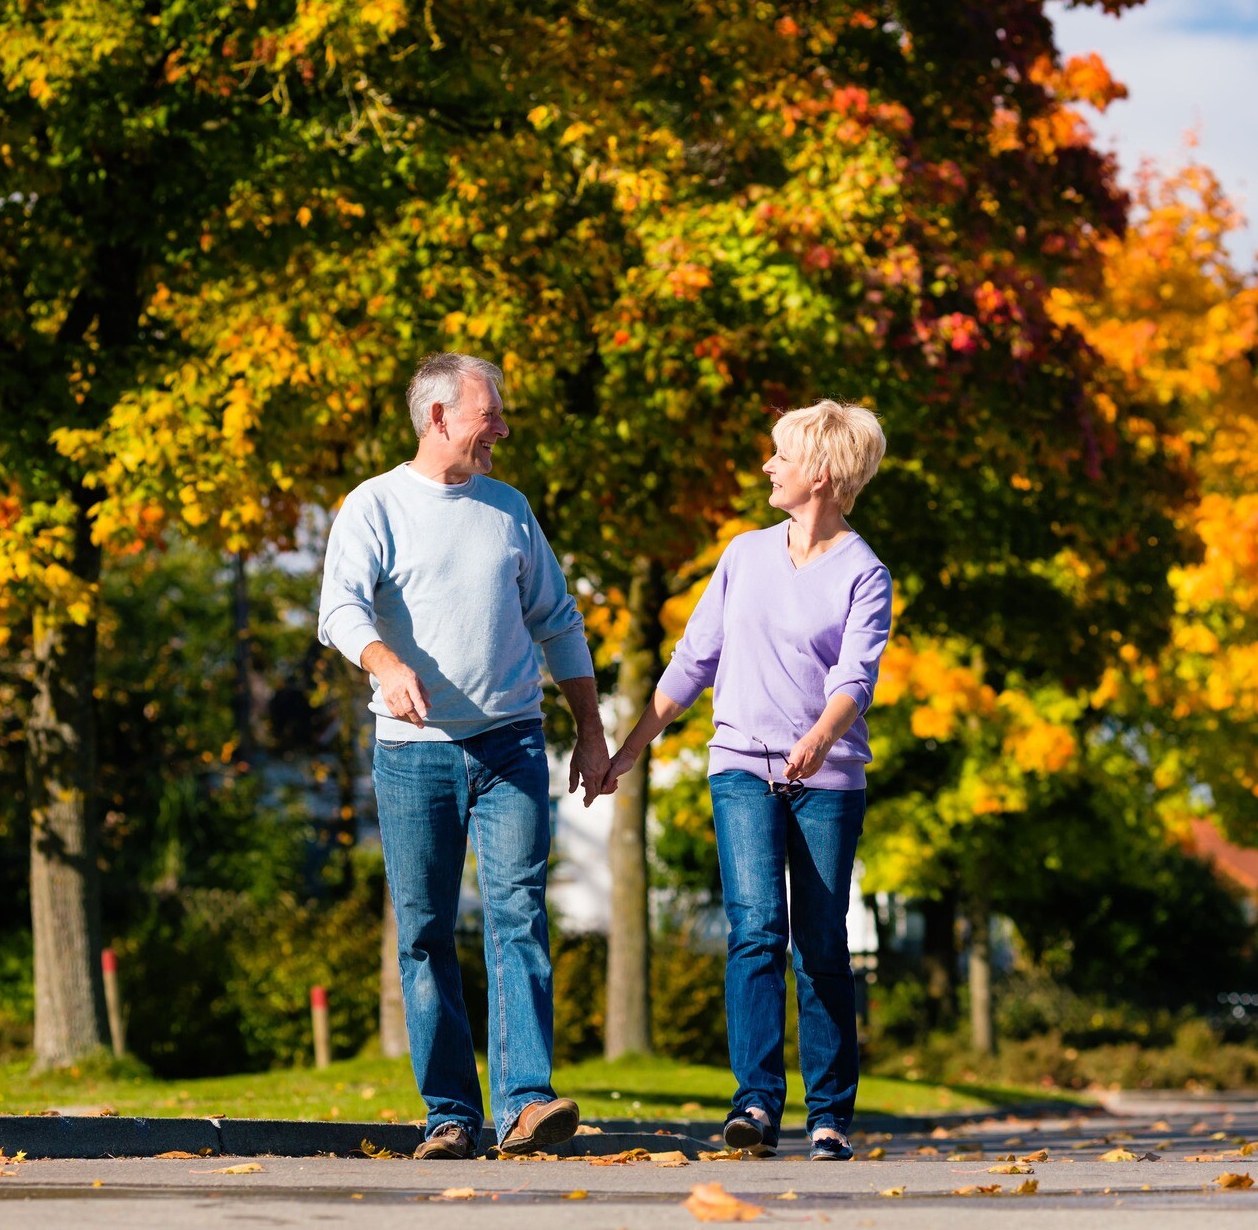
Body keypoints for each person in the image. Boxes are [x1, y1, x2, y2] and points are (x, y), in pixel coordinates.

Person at [318, 353, 610, 1159]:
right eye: (491, 415)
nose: (503, 429)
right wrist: (385, 662)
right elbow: (339, 608)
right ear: (438, 417)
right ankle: (449, 1113)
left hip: (512, 742)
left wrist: (589, 730)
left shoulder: (509, 509)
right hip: (414, 753)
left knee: (517, 915)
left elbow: (559, 621)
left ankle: (525, 1104)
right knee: (425, 930)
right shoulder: (374, 506)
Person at [604, 400, 892, 1161]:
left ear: (822, 473)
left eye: (781, 456)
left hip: (826, 779)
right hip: (739, 767)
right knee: (756, 930)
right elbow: (694, 658)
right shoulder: (742, 554)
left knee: (821, 942)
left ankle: (828, 1115)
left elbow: (855, 679)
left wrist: (819, 737)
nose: (767, 466)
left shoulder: (864, 573)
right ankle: (756, 1106)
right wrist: (633, 744)